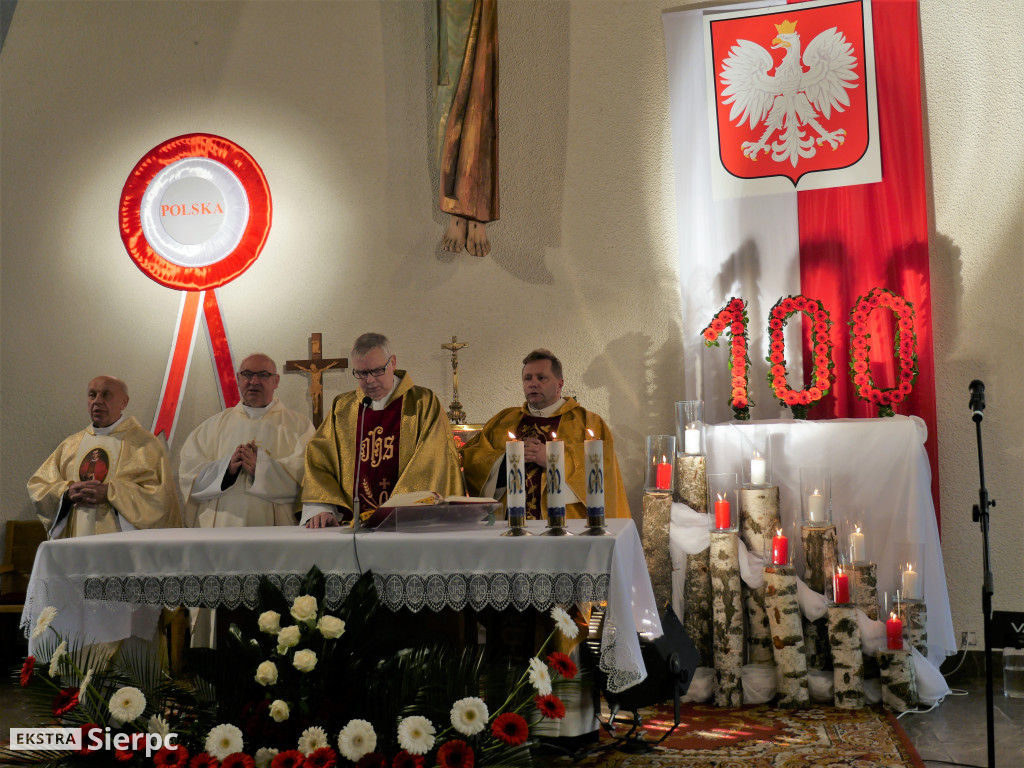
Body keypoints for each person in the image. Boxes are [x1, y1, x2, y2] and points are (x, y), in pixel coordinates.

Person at [301, 333, 464, 527]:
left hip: (409, 526)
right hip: (352, 527)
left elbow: (433, 463)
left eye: (377, 371)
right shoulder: (343, 408)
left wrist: (393, 511)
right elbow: (320, 461)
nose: (369, 380)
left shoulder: (423, 403)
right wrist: (323, 508)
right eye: (361, 373)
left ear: (392, 362)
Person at [460, 349, 630, 520]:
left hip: (566, 527)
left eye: (541, 378)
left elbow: (605, 476)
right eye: (528, 378)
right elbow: (472, 461)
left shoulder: (587, 423)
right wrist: (506, 461)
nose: (533, 383)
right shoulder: (503, 421)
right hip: (508, 526)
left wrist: (552, 460)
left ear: (560, 384)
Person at [28, 375, 181, 537]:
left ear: (124, 402)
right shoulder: (70, 446)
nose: (98, 401)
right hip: (76, 541)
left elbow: (161, 501)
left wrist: (111, 493)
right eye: (92, 395)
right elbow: (39, 486)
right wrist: (67, 493)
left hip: (122, 548)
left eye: (106, 394)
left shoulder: (145, 445)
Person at [178, 353, 315, 528]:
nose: (254, 381)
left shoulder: (299, 425)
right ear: (238, 379)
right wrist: (226, 470)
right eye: (247, 374)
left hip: (277, 533)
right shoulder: (211, 427)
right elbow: (188, 475)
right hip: (223, 532)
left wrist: (262, 468)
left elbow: (311, 475)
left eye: (263, 375)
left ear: (276, 381)